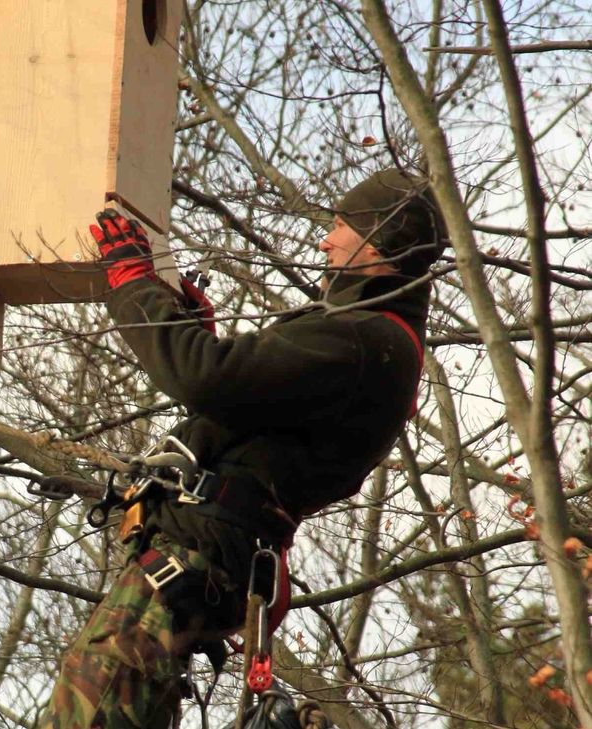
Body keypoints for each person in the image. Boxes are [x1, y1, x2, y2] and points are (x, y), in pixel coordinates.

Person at [40, 168, 447, 729]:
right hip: (209, 562)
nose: (325, 240)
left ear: (377, 241)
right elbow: (242, 403)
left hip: (196, 561)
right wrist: (194, 330)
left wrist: (134, 283)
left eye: (338, 226)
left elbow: (203, 377)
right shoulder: (373, 340)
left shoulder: (362, 338)